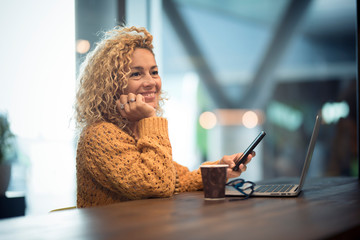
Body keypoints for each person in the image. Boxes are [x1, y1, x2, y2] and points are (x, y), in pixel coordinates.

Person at [74, 26, 255, 208]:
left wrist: (220, 169)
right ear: (112, 84)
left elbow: (177, 180)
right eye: (136, 74)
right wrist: (150, 118)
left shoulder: (135, 131)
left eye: (154, 72)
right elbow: (156, 184)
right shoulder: (99, 136)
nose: (151, 82)